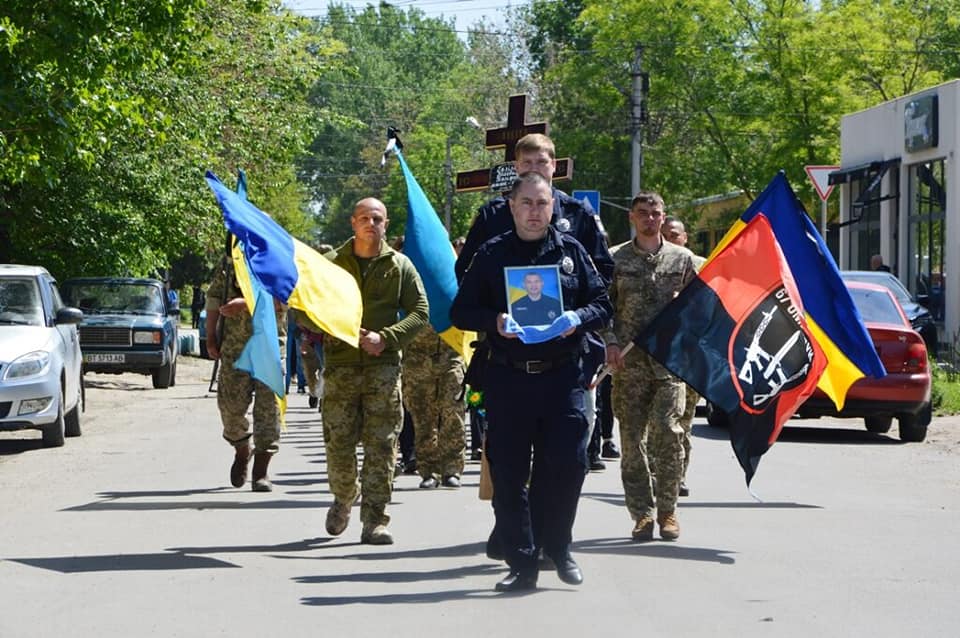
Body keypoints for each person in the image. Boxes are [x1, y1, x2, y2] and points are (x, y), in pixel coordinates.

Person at [454, 132, 614, 559]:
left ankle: (546, 538)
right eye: (526, 165)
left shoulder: (578, 215)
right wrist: (497, 317)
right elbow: (465, 274)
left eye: (542, 163)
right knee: (508, 460)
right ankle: (512, 532)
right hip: (508, 358)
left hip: (567, 355)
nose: (534, 172)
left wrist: (574, 314)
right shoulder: (492, 215)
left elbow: (601, 276)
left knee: (563, 457)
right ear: (516, 169)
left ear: (554, 165)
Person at [321, 197, 429, 546]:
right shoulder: (331, 264)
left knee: (382, 447)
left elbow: (420, 312)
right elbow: (306, 306)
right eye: (364, 218)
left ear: (386, 224)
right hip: (340, 369)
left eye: (378, 218)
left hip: (382, 370)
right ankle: (343, 495)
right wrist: (330, 327)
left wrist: (386, 338)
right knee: (339, 446)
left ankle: (375, 520)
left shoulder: (399, 265)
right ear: (353, 222)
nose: (371, 223)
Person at [603, 192, 695, 542]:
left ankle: (668, 510)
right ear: (632, 217)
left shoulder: (683, 260)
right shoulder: (615, 260)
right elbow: (603, 308)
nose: (650, 219)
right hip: (628, 366)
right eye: (643, 214)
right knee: (631, 441)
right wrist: (610, 342)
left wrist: (683, 311)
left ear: (663, 216)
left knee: (668, 434)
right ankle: (641, 513)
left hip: (669, 364)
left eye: (655, 214)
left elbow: (702, 308)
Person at [204, 248, 285, 492]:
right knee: (229, 406)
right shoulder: (230, 263)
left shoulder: (279, 261)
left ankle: (261, 472)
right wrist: (210, 338)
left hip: (268, 348)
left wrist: (247, 303)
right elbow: (214, 300)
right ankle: (241, 447)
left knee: (268, 411)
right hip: (234, 347)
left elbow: (286, 299)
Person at [660, 215, 706, 497]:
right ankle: (656, 473)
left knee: (682, 422)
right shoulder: (654, 264)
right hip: (658, 356)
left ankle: (678, 474)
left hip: (689, 356)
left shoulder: (701, 267)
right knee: (659, 423)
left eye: (675, 235)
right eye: (665, 234)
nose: (670, 239)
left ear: (685, 237)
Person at [402, 325, 466, 489]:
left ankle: (452, 469)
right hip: (417, 356)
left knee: (453, 412)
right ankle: (429, 470)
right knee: (423, 417)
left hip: (451, 353)